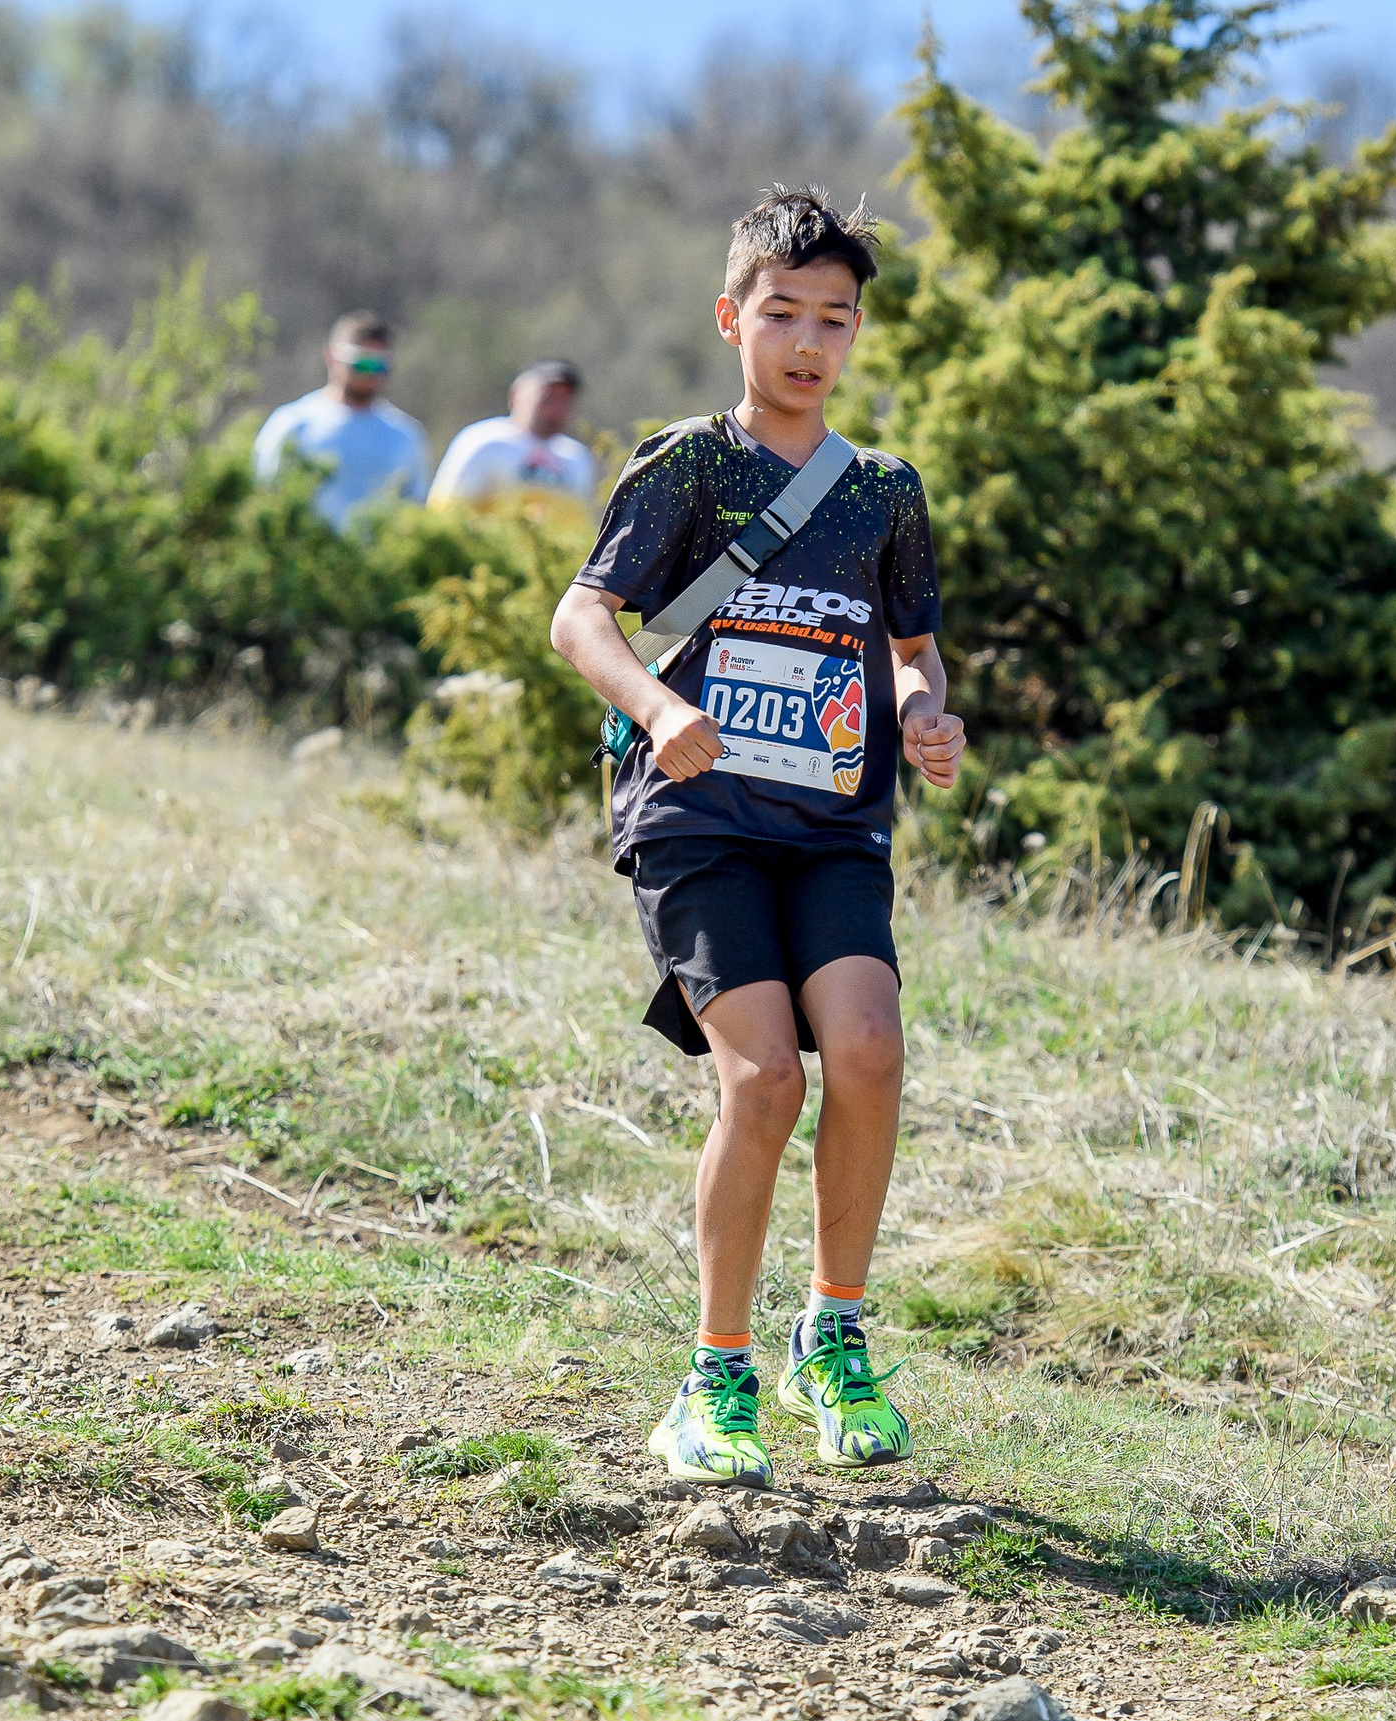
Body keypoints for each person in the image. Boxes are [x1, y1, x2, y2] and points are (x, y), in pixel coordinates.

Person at [550, 187, 964, 1488]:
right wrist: (660, 703)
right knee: (765, 1082)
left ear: (854, 339)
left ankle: (832, 1338)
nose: (805, 341)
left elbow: (913, 653)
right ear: (732, 317)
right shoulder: (688, 466)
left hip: (834, 825)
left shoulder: (885, 491)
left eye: (832, 320)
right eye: (780, 313)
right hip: (699, 821)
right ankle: (711, 1377)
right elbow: (582, 620)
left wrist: (926, 714)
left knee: (871, 1050)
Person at [252, 313, 431, 530]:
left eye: (381, 365)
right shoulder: (292, 424)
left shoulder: (406, 434)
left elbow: (416, 510)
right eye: (363, 363)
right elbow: (262, 497)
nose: (371, 374)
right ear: (331, 357)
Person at [430, 359, 597, 506]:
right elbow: (445, 513)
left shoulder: (577, 458)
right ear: (516, 395)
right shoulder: (485, 443)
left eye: (565, 401)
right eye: (547, 397)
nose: (556, 409)